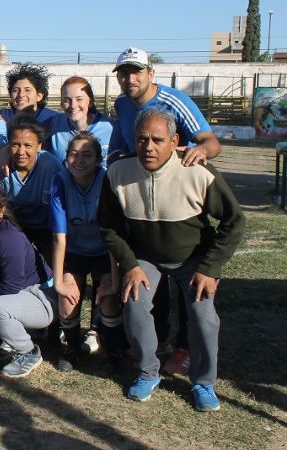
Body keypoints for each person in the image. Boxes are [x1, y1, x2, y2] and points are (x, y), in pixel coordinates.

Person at [98, 109, 244, 411]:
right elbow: (108, 227)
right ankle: (148, 372)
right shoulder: (118, 173)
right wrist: (131, 265)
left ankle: (204, 382)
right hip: (145, 258)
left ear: (175, 140)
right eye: (141, 139)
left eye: (157, 139)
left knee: (203, 316)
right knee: (135, 304)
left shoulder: (198, 172)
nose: (148, 146)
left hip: (193, 260)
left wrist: (209, 268)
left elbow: (234, 221)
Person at [112, 47, 222, 375]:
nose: (130, 79)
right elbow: (122, 144)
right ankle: (159, 342)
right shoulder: (121, 104)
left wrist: (195, 154)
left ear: (150, 74)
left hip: (179, 196)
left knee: (188, 278)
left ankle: (187, 348)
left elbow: (211, 143)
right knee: (151, 270)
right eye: (123, 73)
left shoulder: (174, 102)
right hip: (142, 196)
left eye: (136, 72)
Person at [49, 132, 123, 372]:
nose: (78, 160)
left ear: (98, 160)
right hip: (76, 251)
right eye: (73, 154)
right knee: (68, 296)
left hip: (104, 251)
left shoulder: (106, 182)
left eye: (86, 155)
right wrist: (59, 282)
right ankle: (71, 350)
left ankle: (114, 351)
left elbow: (112, 236)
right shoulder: (60, 181)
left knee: (109, 297)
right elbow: (59, 237)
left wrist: (114, 281)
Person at [0, 183, 55, 378]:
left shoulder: (7, 237)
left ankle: (29, 352)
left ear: (1, 211)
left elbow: (11, 285)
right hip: (18, 296)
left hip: (40, 298)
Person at [0, 116, 63, 264]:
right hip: (15, 225)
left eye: (28, 145)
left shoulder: (51, 167)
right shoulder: (1, 168)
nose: (21, 151)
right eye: (15, 144)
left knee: (51, 261)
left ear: (39, 146)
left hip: (46, 226)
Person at [47, 76, 118, 164]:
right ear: (61, 103)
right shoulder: (53, 124)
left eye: (79, 99)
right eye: (66, 100)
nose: (73, 106)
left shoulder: (111, 128)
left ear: (90, 102)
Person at [0, 63, 58, 128]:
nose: (21, 95)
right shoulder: (1, 116)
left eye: (27, 90)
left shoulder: (53, 119)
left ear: (39, 96)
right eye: (16, 90)